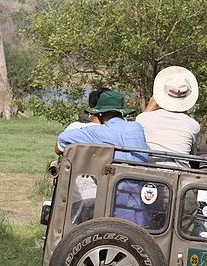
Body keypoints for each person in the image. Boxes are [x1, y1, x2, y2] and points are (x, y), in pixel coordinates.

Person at [55, 90, 150, 225]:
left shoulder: (100, 132)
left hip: (115, 199)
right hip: (139, 199)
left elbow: (62, 141)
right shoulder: (137, 128)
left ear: (100, 114)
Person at [136, 66, 200, 167]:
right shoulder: (193, 125)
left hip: (147, 176)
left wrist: (148, 109)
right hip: (179, 178)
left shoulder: (142, 119)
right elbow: (192, 156)